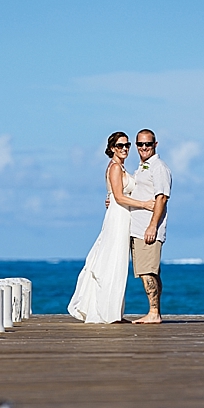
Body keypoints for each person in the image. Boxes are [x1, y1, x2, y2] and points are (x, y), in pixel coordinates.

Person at [68, 132, 156, 323]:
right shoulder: (115, 167)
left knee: (119, 265)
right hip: (118, 218)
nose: (124, 149)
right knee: (112, 263)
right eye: (120, 146)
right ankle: (105, 312)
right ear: (112, 149)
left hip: (124, 217)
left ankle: (113, 312)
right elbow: (119, 197)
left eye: (127, 145)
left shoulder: (122, 168)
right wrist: (145, 204)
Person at [129, 129, 172, 324]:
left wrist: (152, 226)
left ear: (155, 144)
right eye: (140, 144)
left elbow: (161, 197)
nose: (144, 148)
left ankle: (154, 312)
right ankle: (155, 311)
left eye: (148, 144)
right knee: (151, 271)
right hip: (138, 227)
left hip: (147, 227)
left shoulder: (158, 167)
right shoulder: (143, 167)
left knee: (147, 271)